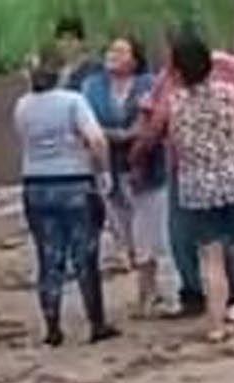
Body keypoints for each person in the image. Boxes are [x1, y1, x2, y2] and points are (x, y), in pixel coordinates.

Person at [133, 31, 234, 321]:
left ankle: (216, 324)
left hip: (199, 187)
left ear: (175, 71)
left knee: (211, 258)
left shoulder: (172, 104)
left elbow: (148, 139)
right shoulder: (230, 93)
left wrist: (135, 158)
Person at [14, 53, 120, 348]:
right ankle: (96, 323)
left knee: (48, 257)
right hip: (74, 180)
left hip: (35, 182)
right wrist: (103, 171)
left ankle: (52, 327)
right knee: (85, 255)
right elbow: (96, 139)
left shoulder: (23, 106)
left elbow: (23, 139)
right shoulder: (73, 101)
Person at [82, 35, 172, 318]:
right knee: (125, 234)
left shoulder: (150, 84)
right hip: (109, 168)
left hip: (146, 167)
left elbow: (156, 119)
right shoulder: (92, 87)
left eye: (121, 51)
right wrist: (119, 135)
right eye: (110, 49)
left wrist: (130, 134)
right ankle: (148, 287)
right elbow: (87, 124)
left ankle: (147, 292)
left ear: (135, 59)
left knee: (146, 232)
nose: (113, 55)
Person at [54, 16, 102, 92]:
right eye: (62, 39)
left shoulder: (94, 68)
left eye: (71, 39)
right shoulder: (56, 71)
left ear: (82, 42)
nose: (67, 44)